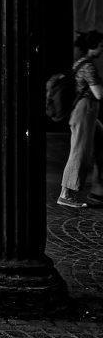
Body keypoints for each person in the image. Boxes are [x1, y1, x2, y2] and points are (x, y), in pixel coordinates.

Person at [58, 28, 103, 209]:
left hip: (85, 111)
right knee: (79, 151)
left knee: (100, 143)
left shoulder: (80, 63)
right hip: (85, 111)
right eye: (100, 46)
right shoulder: (88, 66)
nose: (102, 49)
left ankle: (97, 189)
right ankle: (65, 194)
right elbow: (99, 94)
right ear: (93, 46)